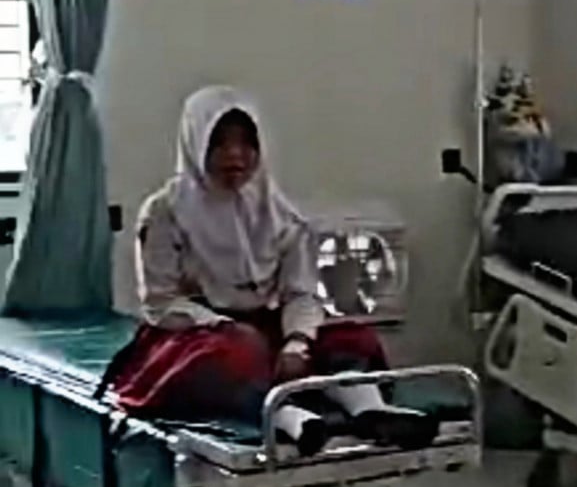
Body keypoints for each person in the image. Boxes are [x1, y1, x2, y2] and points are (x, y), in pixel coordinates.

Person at [107, 86, 435, 455]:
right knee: (235, 352)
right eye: (220, 143)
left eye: (245, 143)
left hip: (264, 325)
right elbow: (160, 303)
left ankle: (369, 410)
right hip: (194, 334)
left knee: (351, 337)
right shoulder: (166, 211)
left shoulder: (280, 214)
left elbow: (301, 293)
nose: (235, 154)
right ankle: (287, 417)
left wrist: (297, 342)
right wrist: (223, 326)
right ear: (195, 144)